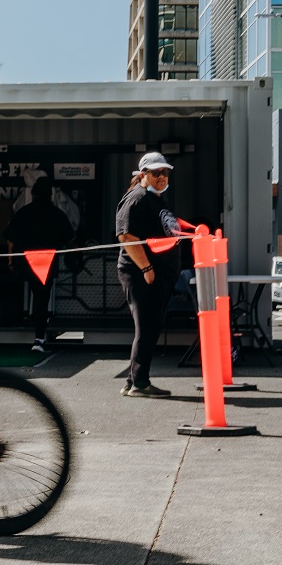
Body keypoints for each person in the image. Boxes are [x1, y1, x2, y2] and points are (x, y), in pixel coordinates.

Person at [115, 151, 182, 398]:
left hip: (158, 274)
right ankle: (140, 384)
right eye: (156, 173)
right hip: (142, 274)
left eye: (165, 172)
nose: (162, 177)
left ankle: (133, 380)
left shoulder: (156, 198)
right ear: (143, 175)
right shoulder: (137, 198)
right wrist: (146, 268)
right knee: (147, 328)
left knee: (151, 327)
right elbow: (126, 236)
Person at [5, 176, 76, 353]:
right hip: (47, 262)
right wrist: (75, 256)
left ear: (34, 193)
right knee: (42, 300)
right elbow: (70, 240)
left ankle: (16, 321)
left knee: (21, 293)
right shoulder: (57, 214)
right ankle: (39, 338)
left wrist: (11, 259)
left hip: (24, 262)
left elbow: (11, 239)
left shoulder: (23, 212)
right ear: (50, 194)